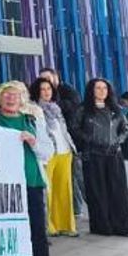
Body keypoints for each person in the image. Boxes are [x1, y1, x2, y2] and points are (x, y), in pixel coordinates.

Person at [0, 82, 64, 256]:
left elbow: (48, 151)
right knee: (7, 233)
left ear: (22, 99)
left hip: (31, 182)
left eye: (16, 95)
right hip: (3, 187)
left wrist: (33, 141)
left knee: (37, 234)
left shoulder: (32, 120)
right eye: (6, 95)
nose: (11, 98)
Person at [70, 78, 128, 236]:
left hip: (114, 154)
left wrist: (117, 141)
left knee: (118, 191)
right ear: (91, 90)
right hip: (92, 155)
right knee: (97, 192)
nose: (101, 91)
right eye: (98, 88)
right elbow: (74, 128)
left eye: (104, 88)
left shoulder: (116, 109)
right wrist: (89, 139)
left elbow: (125, 129)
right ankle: (102, 227)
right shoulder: (83, 109)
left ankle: (124, 227)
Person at [31, 77, 78, 237]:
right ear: (37, 91)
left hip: (65, 151)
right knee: (49, 192)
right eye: (43, 89)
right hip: (48, 154)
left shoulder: (56, 108)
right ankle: (50, 226)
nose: (46, 92)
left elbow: (63, 129)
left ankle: (66, 225)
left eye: (49, 89)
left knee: (65, 191)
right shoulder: (34, 110)